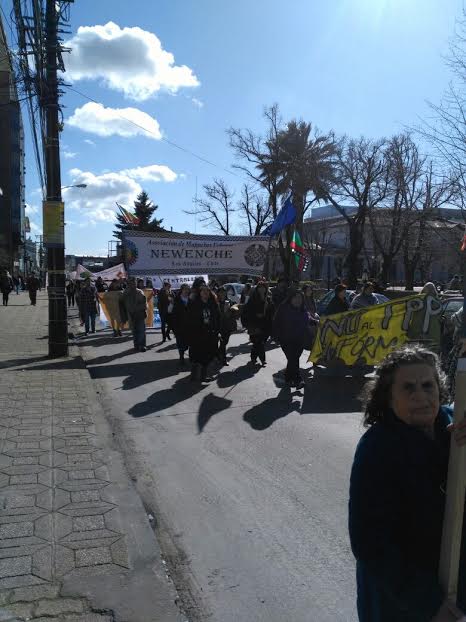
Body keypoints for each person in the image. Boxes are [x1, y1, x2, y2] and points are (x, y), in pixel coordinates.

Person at [349, 346, 466, 622]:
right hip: (404, 605)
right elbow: (371, 543)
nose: (420, 396)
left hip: (456, 590)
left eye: (427, 385)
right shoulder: (377, 449)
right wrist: (429, 604)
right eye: (408, 388)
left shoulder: (455, 428)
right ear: (388, 397)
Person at [273, 290, 312, 386]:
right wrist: (276, 337)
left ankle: (288, 376)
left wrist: (318, 322)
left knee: (293, 359)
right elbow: (276, 322)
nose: (298, 300)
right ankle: (298, 379)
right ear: (290, 298)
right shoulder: (284, 308)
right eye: (295, 297)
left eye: (300, 298)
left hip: (300, 340)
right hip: (286, 340)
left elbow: (309, 319)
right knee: (293, 358)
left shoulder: (303, 310)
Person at [187, 285, 220, 381]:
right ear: (200, 293)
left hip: (210, 334)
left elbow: (218, 318)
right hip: (197, 334)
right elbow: (190, 319)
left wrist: (217, 331)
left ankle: (203, 376)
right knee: (196, 355)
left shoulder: (213, 304)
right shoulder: (194, 304)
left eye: (207, 291)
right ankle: (193, 375)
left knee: (208, 355)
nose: (205, 292)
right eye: (203, 291)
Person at [241, 282, 274, 366]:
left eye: (263, 288)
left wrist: (268, 306)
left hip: (265, 324)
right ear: (257, 289)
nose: (262, 289)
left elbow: (271, 311)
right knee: (258, 342)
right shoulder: (253, 298)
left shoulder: (268, 299)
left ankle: (253, 357)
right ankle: (263, 359)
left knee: (259, 343)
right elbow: (247, 311)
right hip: (255, 324)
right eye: (260, 287)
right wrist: (256, 314)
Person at [122, 277, 148, 352]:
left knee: (141, 330)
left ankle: (142, 345)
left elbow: (144, 304)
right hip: (130, 315)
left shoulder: (139, 292)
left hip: (139, 314)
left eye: (134, 282)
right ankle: (136, 345)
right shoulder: (125, 293)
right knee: (134, 331)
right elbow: (122, 304)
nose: (133, 284)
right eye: (132, 282)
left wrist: (137, 308)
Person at [171, 284, 191, 366]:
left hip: (189, 325)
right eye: (185, 289)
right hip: (179, 325)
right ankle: (181, 357)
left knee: (189, 343)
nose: (186, 291)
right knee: (181, 342)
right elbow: (172, 313)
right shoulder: (176, 300)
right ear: (181, 290)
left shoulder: (191, 299)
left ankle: (191, 358)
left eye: (188, 289)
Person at [217, 287, 237, 366]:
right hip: (219, 325)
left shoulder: (229, 301)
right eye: (220, 292)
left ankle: (218, 354)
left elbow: (235, 310)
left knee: (225, 342)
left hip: (228, 325)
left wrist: (233, 308)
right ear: (218, 293)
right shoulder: (216, 301)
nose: (222, 293)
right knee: (222, 343)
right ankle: (223, 359)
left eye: (223, 292)